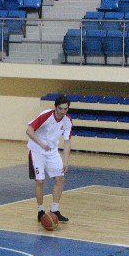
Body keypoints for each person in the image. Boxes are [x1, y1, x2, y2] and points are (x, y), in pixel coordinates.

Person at [26, 94, 73, 223]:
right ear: (55, 107)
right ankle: (40, 211)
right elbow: (29, 130)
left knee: (60, 178)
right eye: (60, 109)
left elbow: (67, 141)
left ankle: (55, 210)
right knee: (40, 181)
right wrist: (41, 144)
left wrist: (65, 161)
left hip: (52, 152)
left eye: (65, 109)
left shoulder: (67, 120)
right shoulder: (46, 115)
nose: (63, 111)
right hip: (37, 151)